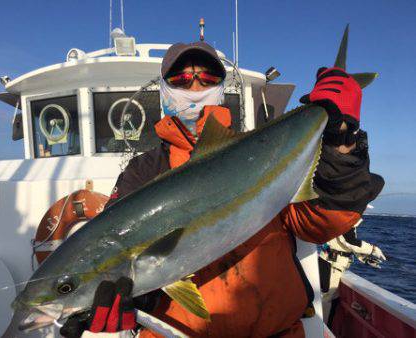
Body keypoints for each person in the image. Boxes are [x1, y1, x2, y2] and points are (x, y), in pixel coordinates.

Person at [60, 41, 384, 338]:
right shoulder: (143, 171)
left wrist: (341, 140)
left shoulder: (262, 153)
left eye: (207, 77)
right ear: (162, 90)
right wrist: (121, 302)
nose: (195, 87)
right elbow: (129, 261)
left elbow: (322, 224)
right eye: (180, 79)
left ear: (220, 86)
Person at [319, 217, 386, 325]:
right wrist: (372, 250)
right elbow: (349, 240)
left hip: (330, 262)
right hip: (332, 265)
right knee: (326, 299)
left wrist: (364, 258)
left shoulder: (339, 216)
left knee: (331, 299)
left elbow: (344, 244)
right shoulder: (346, 218)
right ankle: (321, 332)